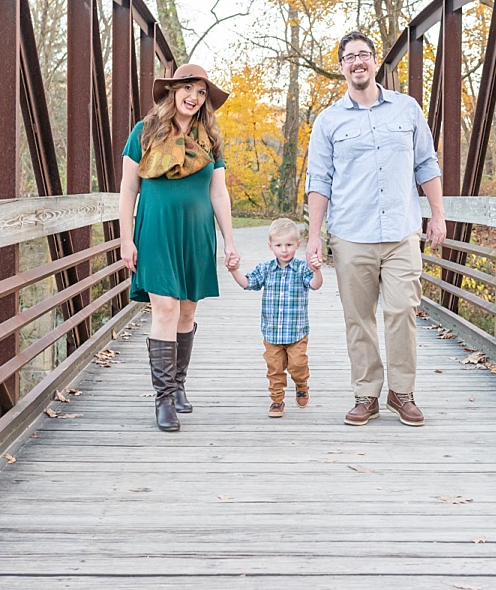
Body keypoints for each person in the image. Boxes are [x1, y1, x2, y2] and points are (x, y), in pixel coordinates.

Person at [304, 31, 446, 427]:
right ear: (341, 67)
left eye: (363, 54)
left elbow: (426, 164)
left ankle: (402, 393)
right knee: (359, 317)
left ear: (375, 60)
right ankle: (366, 394)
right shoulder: (328, 121)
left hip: (401, 231)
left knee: (403, 309)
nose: (357, 62)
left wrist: (437, 214)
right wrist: (314, 236)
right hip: (351, 233)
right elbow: (319, 180)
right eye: (349, 57)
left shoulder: (406, 109)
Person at [119, 63, 240, 432]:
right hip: (156, 231)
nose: (194, 97)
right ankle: (164, 398)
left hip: (196, 234)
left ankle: (179, 384)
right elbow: (128, 189)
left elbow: (218, 192)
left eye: (201, 92)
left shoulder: (210, 139)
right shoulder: (144, 132)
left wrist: (229, 241)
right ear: (173, 91)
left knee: (186, 312)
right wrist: (126, 238)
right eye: (188, 88)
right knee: (166, 308)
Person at [226, 218, 324, 417]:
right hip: (272, 333)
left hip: (296, 331)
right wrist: (234, 270)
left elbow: (315, 285)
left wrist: (317, 270)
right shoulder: (265, 269)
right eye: (279, 245)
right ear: (271, 246)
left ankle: (301, 384)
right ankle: (277, 400)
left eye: (289, 245)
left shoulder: (301, 269)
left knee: (297, 364)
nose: (284, 250)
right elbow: (247, 283)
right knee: (274, 368)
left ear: (298, 244)